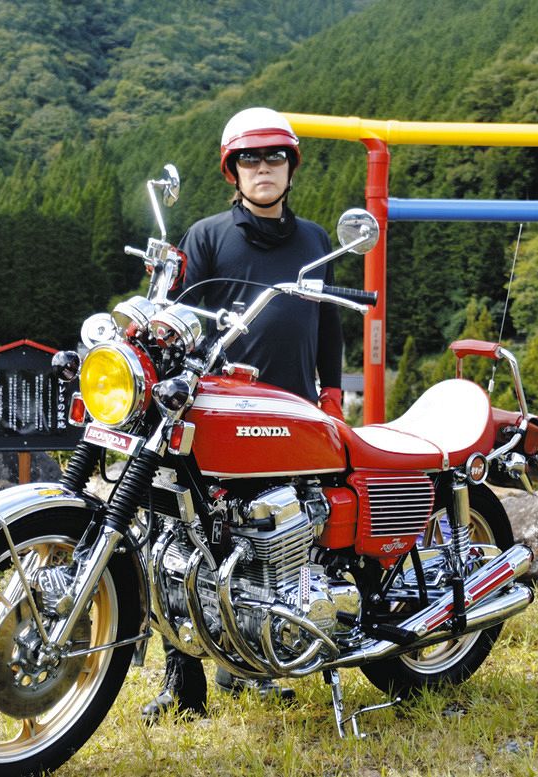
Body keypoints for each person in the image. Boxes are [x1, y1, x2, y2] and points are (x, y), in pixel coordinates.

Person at [141, 107, 344, 724]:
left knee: (277, 540)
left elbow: (330, 321)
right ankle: (182, 681)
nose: (264, 168)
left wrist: (331, 394)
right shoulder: (206, 235)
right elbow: (176, 322)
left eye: (275, 157)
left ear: (290, 168)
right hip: (216, 414)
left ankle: (252, 665)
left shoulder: (314, 239)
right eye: (251, 158)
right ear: (233, 170)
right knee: (182, 538)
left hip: (293, 414)